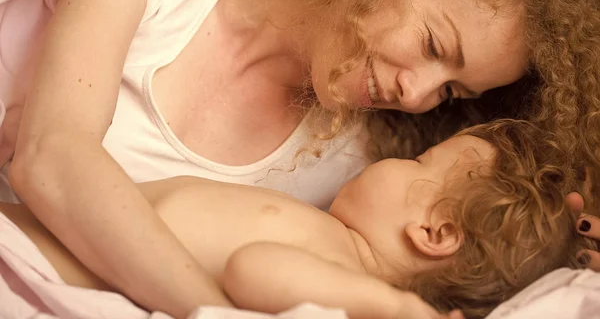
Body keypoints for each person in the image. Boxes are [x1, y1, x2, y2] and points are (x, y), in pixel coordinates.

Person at [2, 0, 600, 317]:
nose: (416, 94)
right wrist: (207, 310)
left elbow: (464, 242)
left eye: (451, 94)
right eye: (433, 44)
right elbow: (50, 157)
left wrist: (555, 256)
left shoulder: (356, 171)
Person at [1, 120, 596, 319]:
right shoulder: (334, 248)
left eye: (419, 160)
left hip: (30, 267)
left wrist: (391, 307)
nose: (397, 156)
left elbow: (252, 269)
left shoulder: (341, 281)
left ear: (433, 232)